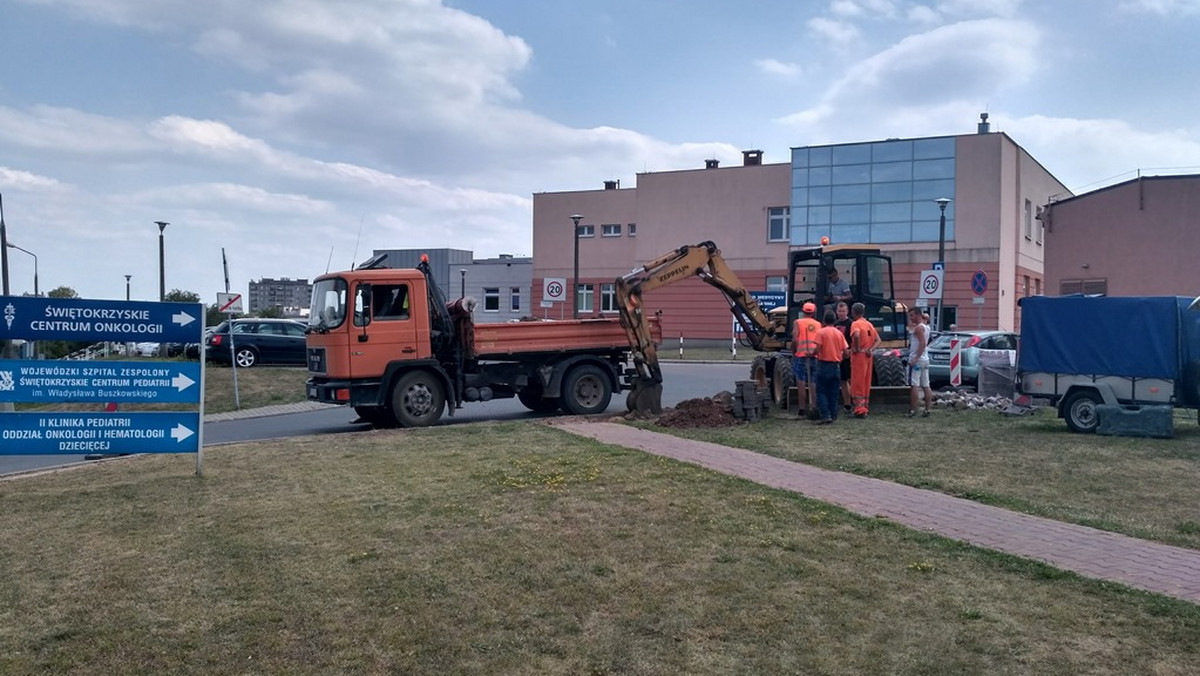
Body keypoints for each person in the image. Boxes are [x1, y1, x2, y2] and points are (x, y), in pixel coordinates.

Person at [813, 308, 849, 424]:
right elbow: (846, 352)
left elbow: (817, 349)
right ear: (834, 320)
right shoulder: (839, 333)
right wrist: (840, 359)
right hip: (836, 366)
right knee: (833, 392)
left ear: (824, 320)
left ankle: (825, 415)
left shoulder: (821, 332)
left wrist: (812, 353)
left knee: (821, 391)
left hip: (824, 365)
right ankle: (833, 415)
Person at [792, 302, 822, 417]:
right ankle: (813, 406)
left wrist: (794, 351)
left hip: (801, 356)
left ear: (803, 311)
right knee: (813, 383)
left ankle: (802, 409)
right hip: (814, 356)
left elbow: (795, 340)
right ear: (813, 312)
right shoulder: (818, 324)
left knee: (801, 382)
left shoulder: (798, 323)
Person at [849, 302, 878, 417]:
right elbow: (878, 340)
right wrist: (871, 349)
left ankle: (859, 409)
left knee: (857, 382)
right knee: (866, 381)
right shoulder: (869, 324)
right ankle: (865, 406)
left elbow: (856, 335)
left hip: (859, 357)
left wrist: (856, 348)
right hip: (867, 356)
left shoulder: (855, 324)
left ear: (853, 312)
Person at [907, 307, 933, 417]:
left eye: (912, 315)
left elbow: (922, 343)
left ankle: (913, 410)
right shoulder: (926, 327)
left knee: (915, 385)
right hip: (925, 359)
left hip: (918, 360)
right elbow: (927, 318)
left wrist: (916, 358)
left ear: (918, 315)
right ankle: (927, 409)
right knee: (926, 385)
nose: (910, 318)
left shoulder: (918, 328)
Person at [834, 300, 852, 413]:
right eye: (839, 311)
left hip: (848, 356)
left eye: (843, 311)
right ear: (836, 312)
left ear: (847, 311)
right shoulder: (835, 324)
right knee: (843, 381)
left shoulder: (851, 323)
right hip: (838, 356)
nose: (841, 313)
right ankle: (847, 404)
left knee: (851, 380)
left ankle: (855, 402)